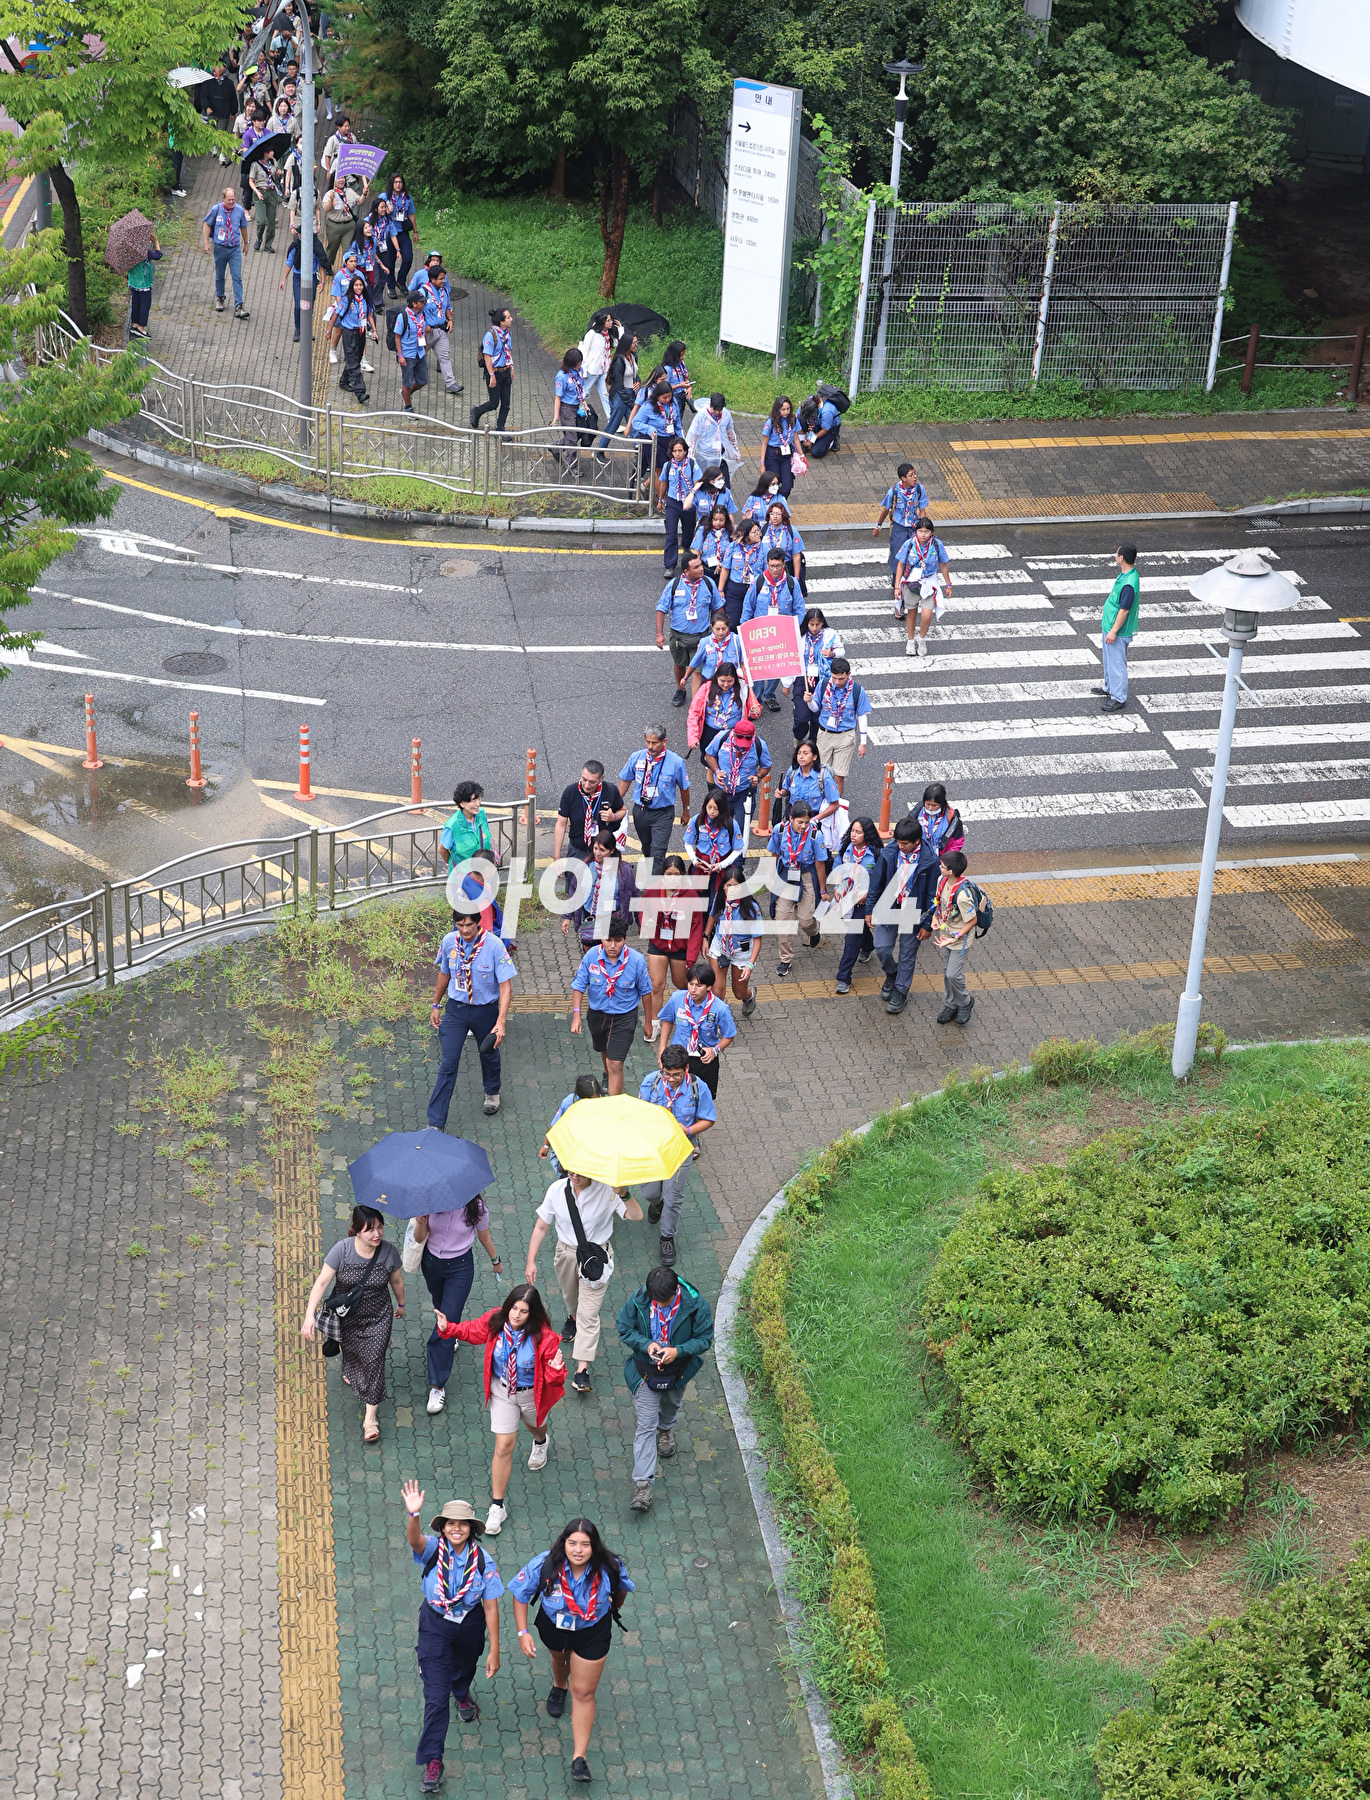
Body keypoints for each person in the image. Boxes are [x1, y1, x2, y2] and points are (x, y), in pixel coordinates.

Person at [434, 1284, 567, 1532]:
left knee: (536, 1426)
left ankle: (541, 1441)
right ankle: (497, 1506)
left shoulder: (544, 1337)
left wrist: (556, 1371)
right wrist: (448, 1329)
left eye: (524, 1311)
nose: (516, 1315)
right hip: (502, 1391)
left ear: (532, 1313)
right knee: (504, 1445)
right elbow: (472, 1331)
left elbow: (553, 1378)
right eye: (514, 1308)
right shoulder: (496, 1320)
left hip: (530, 1395)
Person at [510, 1520, 634, 1786]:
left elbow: (621, 1591)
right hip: (554, 1627)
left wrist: (612, 1606)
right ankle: (559, 1685)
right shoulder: (545, 1564)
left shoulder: (610, 1566)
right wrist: (523, 1632)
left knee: (584, 1692)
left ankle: (580, 1757)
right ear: (563, 1543)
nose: (578, 1550)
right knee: (559, 1658)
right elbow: (520, 1595)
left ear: (594, 1546)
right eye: (573, 1543)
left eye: (585, 1544)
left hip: (593, 1631)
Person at [399, 1487, 504, 1795]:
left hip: (470, 1623)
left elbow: (491, 1607)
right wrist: (414, 1513)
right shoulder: (433, 1549)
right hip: (435, 1624)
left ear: (472, 1529)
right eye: (450, 1523)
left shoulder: (483, 1561)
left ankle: (461, 1692)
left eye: (463, 1524)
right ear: (442, 1528)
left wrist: (495, 1649)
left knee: (465, 1665)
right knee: (435, 1698)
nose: (456, 1528)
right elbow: (414, 1540)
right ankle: (433, 1760)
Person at [527, 1169, 643, 1393]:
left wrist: (624, 1193)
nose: (574, 1176)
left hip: (596, 1258)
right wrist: (531, 1261)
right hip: (566, 1254)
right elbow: (541, 1226)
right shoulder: (557, 1190)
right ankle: (572, 1317)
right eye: (571, 1170)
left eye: (580, 1172)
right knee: (570, 1297)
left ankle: (582, 1370)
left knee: (588, 1314)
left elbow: (636, 1215)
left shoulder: (608, 1190)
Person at [300, 1204, 404, 1443]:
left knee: (374, 1360)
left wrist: (401, 1304)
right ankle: (351, 1370)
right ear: (357, 1231)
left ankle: (370, 1420)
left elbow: (397, 1281)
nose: (377, 1234)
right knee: (353, 1351)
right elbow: (322, 1282)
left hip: (378, 1316)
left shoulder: (389, 1252)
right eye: (370, 1230)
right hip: (347, 1317)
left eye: (380, 1227)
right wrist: (309, 1315)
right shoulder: (343, 1250)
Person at [617, 1265, 715, 1510]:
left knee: (671, 1405)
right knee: (645, 1425)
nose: (659, 1306)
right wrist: (646, 1344)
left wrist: (678, 1351)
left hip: (677, 1372)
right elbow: (624, 1327)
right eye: (656, 1302)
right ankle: (643, 1485)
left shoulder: (696, 1304)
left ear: (676, 1291)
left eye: (665, 1302)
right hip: (644, 1372)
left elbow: (704, 1339)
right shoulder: (640, 1299)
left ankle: (666, 1429)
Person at [414, 1194, 503, 1416]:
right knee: (440, 1306)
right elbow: (419, 1238)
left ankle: (438, 1385)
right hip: (431, 1263)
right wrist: (421, 1222)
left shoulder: (477, 1207)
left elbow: (484, 1236)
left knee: (444, 1324)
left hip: (460, 1268)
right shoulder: (431, 1200)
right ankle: (452, 1334)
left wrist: (496, 1260)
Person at [427, 909, 516, 1123]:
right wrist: (436, 1004)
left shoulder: (494, 945)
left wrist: (501, 1022)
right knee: (448, 1063)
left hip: (485, 1010)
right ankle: (435, 1121)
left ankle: (492, 1091)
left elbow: (505, 986)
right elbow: (444, 973)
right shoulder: (449, 942)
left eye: (469, 925)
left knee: (488, 1053)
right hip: (456, 1010)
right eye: (460, 925)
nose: (465, 930)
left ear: (478, 923)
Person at [636, 1051, 715, 1262]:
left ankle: (667, 1237)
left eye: (676, 1075)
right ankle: (657, 1203)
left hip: (681, 1149)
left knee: (673, 1196)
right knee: (649, 1192)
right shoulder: (651, 1082)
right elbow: (640, 1112)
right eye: (667, 1073)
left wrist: (688, 1130)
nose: (671, 1079)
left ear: (686, 1069)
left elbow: (708, 1119)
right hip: (655, 1148)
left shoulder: (699, 1088)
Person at [569, 915, 654, 1095]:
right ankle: (608, 1074)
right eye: (608, 940)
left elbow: (646, 992)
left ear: (625, 939)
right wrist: (576, 1015)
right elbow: (578, 986)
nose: (613, 946)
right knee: (604, 1051)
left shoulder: (636, 960)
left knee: (615, 1062)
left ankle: (613, 1104)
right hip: (597, 1015)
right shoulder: (591, 956)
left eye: (618, 941)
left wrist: (648, 1022)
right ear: (602, 938)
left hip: (624, 1017)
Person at [871, 817, 932, 1016]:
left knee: (907, 954)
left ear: (917, 841)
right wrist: (870, 910)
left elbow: (933, 895)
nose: (900, 846)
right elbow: (876, 882)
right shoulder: (889, 853)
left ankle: (901, 991)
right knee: (881, 947)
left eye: (904, 843)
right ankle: (892, 973)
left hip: (913, 909)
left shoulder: (930, 860)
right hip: (889, 904)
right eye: (898, 842)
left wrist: (927, 924)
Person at [641, 856, 707, 1032]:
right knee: (656, 985)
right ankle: (654, 1023)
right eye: (668, 874)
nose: (672, 878)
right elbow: (643, 910)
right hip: (658, 944)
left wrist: (691, 957)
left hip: (680, 948)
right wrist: (646, 922)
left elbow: (696, 927)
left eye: (676, 874)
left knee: (682, 985)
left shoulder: (691, 895)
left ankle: (698, 1016)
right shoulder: (653, 891)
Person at [767, 800, 826, 979]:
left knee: (806, 921)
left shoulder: (816, 836)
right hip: (786, 874)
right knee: (782, 919)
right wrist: (772, 877)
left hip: (806, 875)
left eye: (807, 822)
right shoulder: (779, 830)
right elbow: (774, 853)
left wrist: (823, 890)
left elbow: (820, 864)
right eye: (800, 822)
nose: (804, 826)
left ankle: (814, 932)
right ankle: (785, 959)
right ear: (791, 818)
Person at [618, 727, 691, 874]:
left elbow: (684, 788)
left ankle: (655, 885)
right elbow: (625, 782)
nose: (650, 746)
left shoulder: (676, 762)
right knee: (647, 848)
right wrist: (615, 804)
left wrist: (686, 810)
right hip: (641, 811)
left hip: (663, 814)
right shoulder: (636, 757)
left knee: (658, 853)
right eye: (648, 742)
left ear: (664, 741)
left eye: (654, 743)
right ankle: (652, 874)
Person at [739, 548, 804, 712]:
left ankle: (769, 695)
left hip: (782, 634)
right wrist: (744, 631)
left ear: (784, 564)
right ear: (767, 563)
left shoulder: (792, 583)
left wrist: (795, 631)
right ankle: (756, 698)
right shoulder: (758, 582)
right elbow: (748, 606)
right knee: (758, 666)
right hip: (760, 634)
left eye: (779, 566)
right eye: (772, 565)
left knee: (777, 666)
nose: (775, 569)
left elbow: (800, 609)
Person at [657, 961, 734, 1098]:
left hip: (705, 1059)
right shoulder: (677, 999)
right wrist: (662, 1050)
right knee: (675, 1095)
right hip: (679, 1057)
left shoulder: (720, 1008)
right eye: (690, 984)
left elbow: (729, 1035)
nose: (693, 989)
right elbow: (667, 1020)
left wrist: (715, 1050)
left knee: (704, 1098)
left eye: (699, 985)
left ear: (708, 986)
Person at [920, 849, 980, 1025]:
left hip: (959, 940)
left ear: (951, 871)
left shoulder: (962, 896)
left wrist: (954, 937)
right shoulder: (942, 880)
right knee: (947, 973)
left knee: (953, 974)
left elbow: (973, 920)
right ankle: (950, 1004)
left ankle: (965, 1002)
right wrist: (935, 918)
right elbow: (939, 903)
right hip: (945, 934)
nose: (940, 867)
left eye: (943, 866)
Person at [655, 552, 723, 706]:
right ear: (686, 571)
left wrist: (721, 630)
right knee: (679, 664)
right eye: (696, 567)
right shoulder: (674, 585)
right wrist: (659, 634)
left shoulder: (708, 583)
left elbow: (718, 607)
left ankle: (696, 704)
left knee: (698, 671)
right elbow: (661, 609)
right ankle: (681, 689)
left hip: (701, 637)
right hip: (679, 637)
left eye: (701, 565)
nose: (701, 569)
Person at [561, 828, 637, 952]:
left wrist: (640, 921)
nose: (597, 853)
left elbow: (634, 894)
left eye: (602, 850)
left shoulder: (623, 870)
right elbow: (574, 892)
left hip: (613, 919)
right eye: (595, 848)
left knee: (611, 954)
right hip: (591, 918)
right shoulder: (585, 866)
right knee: (590, 954)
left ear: (612, 850)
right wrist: (567, 917)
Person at [830, 816, 882, 994]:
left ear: (867, 834)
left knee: (851, 939)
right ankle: (867, 946)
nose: (853, 835)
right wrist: (837, 887)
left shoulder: (876, 853)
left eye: (858, 832)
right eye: (852, 830)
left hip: (865, 901)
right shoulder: (846, 848)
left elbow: (881, 879)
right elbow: (838, 867)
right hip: (847, 897)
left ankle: (843, 978)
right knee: (859, 930)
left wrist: (868, 896)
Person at [704, 716, 770, 841]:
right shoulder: (721, 737)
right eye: (740, 739)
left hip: (743, 794)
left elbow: (766, 766)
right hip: (722, 793)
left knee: (740, 831)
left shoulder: (759, 745)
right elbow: (710, 755)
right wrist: (717, 771)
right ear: (734, 732)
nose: (742, 746)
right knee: (717, 828)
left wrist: (758, 776)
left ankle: (737, 853)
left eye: (747, 740)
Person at [895, 516, 953, 657]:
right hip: (911, 582)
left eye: (926, 532)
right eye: (920, 531)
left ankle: (921, 638)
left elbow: (943, 565)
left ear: (931, 532)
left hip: (929, 583)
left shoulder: (937, 545)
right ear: (916, 531)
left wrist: (948, 585)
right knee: (911, 612)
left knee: (927, 615)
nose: (923, 535)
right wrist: (897, 587)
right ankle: (910, 640)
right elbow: (900, 565)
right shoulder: (909, 544)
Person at [811, 658, 870, 797]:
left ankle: (835, 803)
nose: (837, 682)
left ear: (849, 674)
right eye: (834, 678)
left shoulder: (857, 690)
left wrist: (863, 743)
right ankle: (821, 802)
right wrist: (809, 702)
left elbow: (862, 716)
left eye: (841, 679)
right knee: (822, 773)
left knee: (839, 775)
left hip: (845, 736)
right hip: (825, 734)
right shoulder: (823, 684)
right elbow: (815, 708)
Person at [554, 762, 625, 874]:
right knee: (575, 884)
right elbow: (561, 825)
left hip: (603, 853)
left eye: (592, 782)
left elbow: (623, 810)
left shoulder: (610, 790)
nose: (587, 785)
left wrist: (613, 816)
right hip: (578, 851)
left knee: (604, 884)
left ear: (601, 778)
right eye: (584, 779)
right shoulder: (570, 792)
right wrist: (557, 857)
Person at [681, 787, 737, 921]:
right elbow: (688, 843)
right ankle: (700, 928)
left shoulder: (730, 824)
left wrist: (722, 865)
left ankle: (712, 929)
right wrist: (695, 861)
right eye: (709, 807)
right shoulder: (698, 820)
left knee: (716, 903)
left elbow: (738, 849)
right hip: (701, 868)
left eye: (716, 808)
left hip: (721, 870)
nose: (711, 811)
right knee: (699, 902)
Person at [708, 876, 761, 1017]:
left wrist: (750, 965)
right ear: (723, 886)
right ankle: (718, 1021)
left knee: (738, 992)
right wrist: (705, 936)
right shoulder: (719, 899)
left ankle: (749, 995)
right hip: (720, 946)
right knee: (716, 990)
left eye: (736, 886)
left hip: (741, 952)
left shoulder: (752, 908)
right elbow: (712, 916)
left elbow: (757, 939)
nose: (731, 889)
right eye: (728, 885)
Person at [1098, 543, 1140, 713]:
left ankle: (1119, 697)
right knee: (1109, 660)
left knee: (1117, 663)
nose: (1115, 555)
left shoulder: (1129, 584)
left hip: (1117, 630)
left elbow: (1124, 610)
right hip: (1110, 625)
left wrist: (1114, 631)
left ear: (1121, 558)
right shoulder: (1126, 575)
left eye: (1117, 553)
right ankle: (1109, 687)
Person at [794, 608, 844, 748]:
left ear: (822, 623)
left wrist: (832, 653)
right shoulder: (800, 635)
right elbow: (792, 657)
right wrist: (786, 683)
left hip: (822, 678)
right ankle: (798, 736)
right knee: (802, 715)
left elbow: (841, 650)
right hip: (804, 677)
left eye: (818, 624)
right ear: (807, 623)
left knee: (818, 714)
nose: (814, 628)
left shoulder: (830, 634)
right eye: (811, 624)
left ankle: (812, 744)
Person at [873, 463, 930, 583]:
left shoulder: (919, 490)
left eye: (914, 474)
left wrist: (923, 529)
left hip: (914, 527)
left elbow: (922, 510)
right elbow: (885, 510)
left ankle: (912, 580)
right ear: (903, 478)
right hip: (899, 528)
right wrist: (878, 526)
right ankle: (897, 582)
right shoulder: (894, 492)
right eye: (911, 475)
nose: (915, 477)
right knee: (898, 554)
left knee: (915, 554)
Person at [202, 186, 251, 319]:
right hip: (220, 248)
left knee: (237, 277)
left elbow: (244, 227)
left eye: (233, 199)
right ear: (223, 198)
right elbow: (207, 224)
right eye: (229, 200)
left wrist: (246, 243)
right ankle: (220, 297)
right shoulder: (216, 209)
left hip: (234, 249)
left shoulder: (239, 210)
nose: (231, 202)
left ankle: (239, 305)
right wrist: (206, 242)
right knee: (220, 274)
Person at [687, 659, 754, 756]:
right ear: (716, 677)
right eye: (722, 681)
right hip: (710, 732)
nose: (726, 684)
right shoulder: (706, 688)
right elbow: (694, 712)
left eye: (730, 681)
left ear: (735, 679)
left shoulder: (743, 689)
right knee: (709, 759)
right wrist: (693, 737)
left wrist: (754, 711)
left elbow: (753, 711)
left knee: (729, 758)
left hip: (733, 733)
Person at [658, 437, 704, 575]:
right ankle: (670, 565)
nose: (677, 454)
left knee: (688, 530)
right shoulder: (668, 466)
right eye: (675, 451)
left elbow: (697, 483)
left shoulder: (692, 464)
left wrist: (694, 498)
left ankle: (686, 548)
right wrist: (660, 499)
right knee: (671, 533)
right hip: (673, 502)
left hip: (688, 502)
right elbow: (663, 483)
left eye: (680, 451)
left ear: (685, 451)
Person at [540, 1075, 602, 1175]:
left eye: (597, 1098)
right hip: (570, 1148)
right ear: (580, 1098)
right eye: (590, 1101)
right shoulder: (569, 1102)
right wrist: (546, 1145)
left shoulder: (604, 1103)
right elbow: (555, 1125)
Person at [627, 381, 680, 493]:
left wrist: (681, 440)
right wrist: (649, 429)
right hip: (655, 440)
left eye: (669, 396)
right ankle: (661, 499)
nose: (667, 399)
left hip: (670, 439)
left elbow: (678, 423)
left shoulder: (674, 403)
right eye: (664, 397)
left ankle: (645, 486)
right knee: (660, 471)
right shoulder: (648, 406)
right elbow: (636, 422)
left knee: (671, 469)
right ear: (657, 396)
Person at [279, 225, 329, 344]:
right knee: (298, 305)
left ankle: (307, 329)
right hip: (298, 278)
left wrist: (322, 282)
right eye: (298, 234)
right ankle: (298, 328)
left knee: (309, 305)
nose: (299, 235)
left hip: (311, 278)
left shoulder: (315, 247)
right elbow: (289, 263)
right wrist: (283, 279)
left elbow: (321, 264)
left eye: (301, 234)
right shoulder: (295, 246)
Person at [779, 741, 840, 832]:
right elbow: (786, 790)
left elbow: (835, 804)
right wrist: (781, 792)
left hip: (813, 818)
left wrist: (816, 819)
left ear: (814, 757)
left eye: (805, 753)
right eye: (799, 753)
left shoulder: (824, 776)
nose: (801, 756)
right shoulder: (792, 771)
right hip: (793, 817)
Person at [420, 264, 462, 395]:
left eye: (444, 278)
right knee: (419, 356)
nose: (444, 281)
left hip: (441, 331)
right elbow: (416, 311)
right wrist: (424, 325)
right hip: (426, 333)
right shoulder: (423, 292)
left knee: (445, 357)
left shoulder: (444, 292)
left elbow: (447, 307)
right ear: (432, 279)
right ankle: (412, 380)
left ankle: (451, 384)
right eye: (441, 279)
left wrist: (450, 320)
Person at [337, 272, 378, 405]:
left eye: (360, 285)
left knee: (356, 358)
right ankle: (360, 392)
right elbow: (337, 314)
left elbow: (369, 315)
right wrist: (329, 331)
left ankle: (344, 380)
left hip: (361, 331)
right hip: (349, 332)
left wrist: (374, 330)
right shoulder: (347, 299)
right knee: (353, 364)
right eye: (356, 285)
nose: (359, 287)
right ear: (352, 286)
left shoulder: (366, 300)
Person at [595, 329, 638, 454]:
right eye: (634, 343)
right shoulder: (619, 361)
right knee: (614, 424)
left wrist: (638, 381)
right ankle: (600, 450)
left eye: (636, 342)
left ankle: (638, 450)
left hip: (630, 394)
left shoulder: (633, 356)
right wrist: (631, 403)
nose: (636, 345)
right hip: (620, 396)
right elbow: (619, 385)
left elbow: (634, 374)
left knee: (634, 423)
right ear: (627, 344)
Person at [472, 308, 514, 430]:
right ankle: (477, 411)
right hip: (494, 373)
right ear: (502, 321)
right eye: (508, 317)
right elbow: (487, 357)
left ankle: (500, 428)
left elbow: (508, 351)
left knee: (506, 403)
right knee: (494, 403)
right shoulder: (490, 336)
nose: (511, 319)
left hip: (506, 371)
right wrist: (491, 375)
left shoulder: (507, 333)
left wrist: (511, 367)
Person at [686, 392, 742, 483]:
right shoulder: (701, 416)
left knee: (723, 484)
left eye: (719, 410)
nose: (717, 412)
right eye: (715, 410)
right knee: (705, 482)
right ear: (710, 405)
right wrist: (690, 456)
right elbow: (693, 437)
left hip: (720, 455)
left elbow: (730, 432)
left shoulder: (726, 414)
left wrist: (736, 451)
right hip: (705, 455)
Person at [439, 780, 495, 870]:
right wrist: (452, 863)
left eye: (479, 799)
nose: (478, 804)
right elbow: (442, 849)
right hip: (463, 875)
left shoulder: (481, 814)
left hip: (483, 872)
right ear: (462, 803)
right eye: (473, 801)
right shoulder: (452, 826)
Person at [721, 519, 765, 630]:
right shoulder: (733, 546)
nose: (758, 534)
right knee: (732, 622)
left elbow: (766, 572)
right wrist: (720, 589)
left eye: (758, 530)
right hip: (735, 589)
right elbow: (725, 568)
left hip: (755, 588)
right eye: (754, 532)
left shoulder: (764, 548)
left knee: (753, 623)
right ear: (745, 535)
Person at [577, 310, 616, 431]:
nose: (611, 322)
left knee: (605, 395)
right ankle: (577, 416)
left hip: (603, 370)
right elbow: (584, 350)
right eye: (608, 320)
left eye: (611, 320)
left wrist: (620, 329)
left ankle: (611, 421)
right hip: (592, 370)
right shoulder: (592, 333)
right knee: (585, 393)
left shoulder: (608, 334)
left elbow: (617, 344)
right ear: (602, 322)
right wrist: (583, 370)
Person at [553, 347, 588, 476]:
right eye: (578, 363)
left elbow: (580, 389)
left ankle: (555, 447)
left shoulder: (579, 371)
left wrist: (584, 404)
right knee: (572, 438)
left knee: (574, 434)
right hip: (566, 409)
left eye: (580, 363)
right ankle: (572, 465)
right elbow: (558, 398)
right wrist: (556, 418)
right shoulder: (562, 377)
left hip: (578, 407)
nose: (580, 365)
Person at [395, 289, 430, 414]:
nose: (424, 303)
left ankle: (406, 394)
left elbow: (423, 332)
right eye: (421, 302)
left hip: (419, 352)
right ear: (414, 304)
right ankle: (408, 406)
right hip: (408, 354)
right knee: (407, 382)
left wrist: (425, 348)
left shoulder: (422, 314)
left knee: (423, 380)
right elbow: (397, 337)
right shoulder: (403, 317)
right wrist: (400, 355)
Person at [321, 176, 363, 271]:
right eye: (338, 178)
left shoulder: (350, 191)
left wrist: (364, 194)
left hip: (349, 226)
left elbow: (360, 202)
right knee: (332, 248)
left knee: (348, 249)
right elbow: (326, 209)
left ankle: (347, 269)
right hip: (334, 226)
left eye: (343, 178)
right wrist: (330, 200)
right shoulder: (330, 193)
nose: (341, 180)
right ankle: (328, 266)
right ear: (334, 181)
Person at [761, 499, 806, 587]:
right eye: (772, 513)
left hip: (787, 567)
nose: (775, 516)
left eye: (778, 514)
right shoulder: (763, 529)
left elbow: (796, 555)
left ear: (783, 515)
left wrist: (796, 578)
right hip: (768, 568)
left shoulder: (791, 530)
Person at [125, 234, 162, 341]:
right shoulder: (143, 250)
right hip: (144, 283)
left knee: (136, 303)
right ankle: (141, 328)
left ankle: (134, 325)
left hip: (133, 282)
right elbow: (158, 255)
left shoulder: (128, 250)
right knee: (145, 304)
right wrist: (156, 242)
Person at [762, 396, 799, 497]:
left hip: (786, 455)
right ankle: (774, 505)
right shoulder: (771, 422)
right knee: (774, 485)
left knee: (787, 486)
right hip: (773, 455)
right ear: (777, 409)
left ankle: (781, 503)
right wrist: (762, 464)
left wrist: (802, 455)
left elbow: (796, 439)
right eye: (783, 409)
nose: (786, 412)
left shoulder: (793, 420)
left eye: (788, 409)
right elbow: (764, 443)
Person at [691, 505, 733, 587]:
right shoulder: (703, 530)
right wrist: (697, 568)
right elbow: (696, 551)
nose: (718, 523)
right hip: (707, 569)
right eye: (715, 519)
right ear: (711, 519)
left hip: (724, 570)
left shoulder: (729, 532)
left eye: (721, 520)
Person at [389, 173, 417, 289]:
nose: (398, 184)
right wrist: (387, 210)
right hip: (389, 234)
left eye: (400, 182)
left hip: (403, 232)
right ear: (392, 183)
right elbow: (377, 211)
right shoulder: (385, 196)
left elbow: (411, 215)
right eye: (396, 182)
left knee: (408, 258)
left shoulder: (407, 198)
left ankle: (401, 280)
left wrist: (415, 232)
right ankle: (391, 286)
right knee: (390, 262)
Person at [662, 339, 694, 420]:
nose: (683, 357)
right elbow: (663, 388)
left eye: (683, 354)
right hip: (673, 397)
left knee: (680, 417)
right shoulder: (667, 369)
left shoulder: (680, 364)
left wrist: (689, 387)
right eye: (681, 355)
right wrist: (679, 385)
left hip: (682, 395)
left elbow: (685, 378)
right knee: (673, 419)